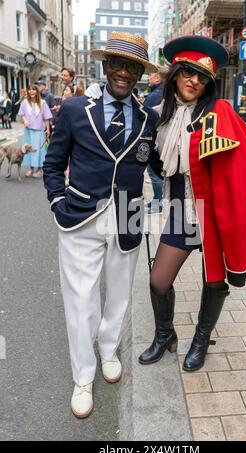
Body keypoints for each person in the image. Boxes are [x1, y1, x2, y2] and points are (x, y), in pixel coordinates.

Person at [139, 35, 246, 373]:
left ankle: (201, 339)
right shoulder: (156, 111)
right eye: (189, 72)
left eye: (202, 77)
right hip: (180, 209)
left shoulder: (220, 112)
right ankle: (165, 335)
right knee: (158, 280)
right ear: (176, 72)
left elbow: (245, 163)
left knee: (214, 280)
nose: (194, 81)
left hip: (214, 213)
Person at [43, 32, 162, 419]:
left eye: (132, 66)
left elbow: (162, 166)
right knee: (81, 300)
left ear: (141, 72)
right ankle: (83, 375)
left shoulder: (150, 118)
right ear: (105, 65)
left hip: (127, 217)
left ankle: (109, 349)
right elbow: (52, 162)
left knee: (120, 296)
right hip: (80, 215)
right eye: (117, 64)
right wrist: (58, 202)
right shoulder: (76, 109)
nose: (123, 72)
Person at [144, 66, 168, 214]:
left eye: (151, 75)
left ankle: (159, 202)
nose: (148, 78)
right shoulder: (164, 92)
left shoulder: (155, 96)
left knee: (154, 172)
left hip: (154, 140)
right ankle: (157, 200)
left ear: (158, 78)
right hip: (161, 140)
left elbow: (145, 118)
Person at [18, 85, 52, 178]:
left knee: (39, 150)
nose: (31, 92)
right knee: (28, 149)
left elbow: (46, 118)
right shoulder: (25, 102)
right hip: (28, 131)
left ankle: (40, 169)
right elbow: (22, 114)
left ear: (37, 91)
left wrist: (48, 130)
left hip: (39, 130)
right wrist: (24, 120)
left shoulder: (43, 103)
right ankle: (31, 168)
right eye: (29, 90)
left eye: (33, 90)